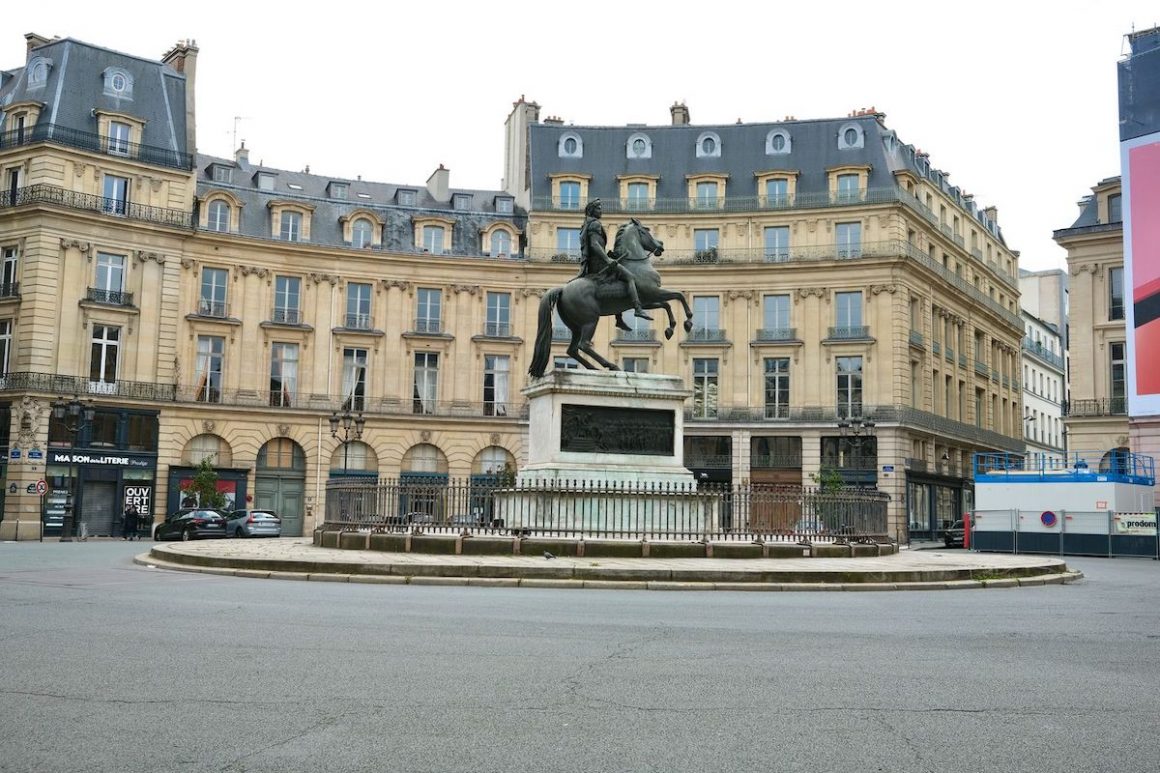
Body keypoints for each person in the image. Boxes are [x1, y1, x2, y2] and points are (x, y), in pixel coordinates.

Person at [576, 198, 651, 330]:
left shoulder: (586, 224)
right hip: (598, 264)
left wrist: (609, 255)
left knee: (618, 280)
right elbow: (594, 245)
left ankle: (619, 319)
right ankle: (637, 308)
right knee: (629, 277)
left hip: (594, 262)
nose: (601, 211)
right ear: (592, 210)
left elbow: (596, 246)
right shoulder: (595, 224)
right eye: (598, 208)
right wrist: (607, 260)